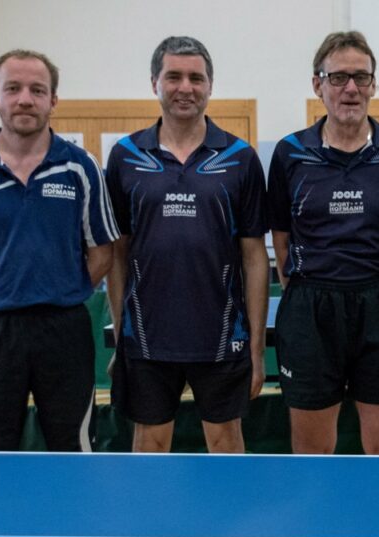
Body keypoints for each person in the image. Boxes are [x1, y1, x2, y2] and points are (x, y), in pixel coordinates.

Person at [0, 49, 118, 451]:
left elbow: (103, 253)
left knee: (72, 447)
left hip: (63, 329)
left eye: (37, 89)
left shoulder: (80, 168)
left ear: (53, 100)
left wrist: (66, 292)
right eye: (12, 88)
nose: (25, 99)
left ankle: (71, 516)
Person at [266, 31, 379, 454]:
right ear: (317, 84)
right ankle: (320, 523)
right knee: (312, 454)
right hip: (309, 312)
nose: (351, 88)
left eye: (361, 77)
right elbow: (282, 243)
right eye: (338, 77)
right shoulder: (289, 154)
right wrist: (312, 293)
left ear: (374, 84)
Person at [106, 36, 268, 453]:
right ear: (154, 83)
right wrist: (123, 333)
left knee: (226, 442)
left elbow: (254, 258)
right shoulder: (125, 156)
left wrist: (255, 348)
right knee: (150, 446)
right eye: (173, 76)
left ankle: (229, 520)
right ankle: (152, 521)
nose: (185, 87)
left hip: (220, 335)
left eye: (196, 78)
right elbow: (117, 253)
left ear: (210, 86)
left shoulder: (240, 157)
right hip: (147, 335)